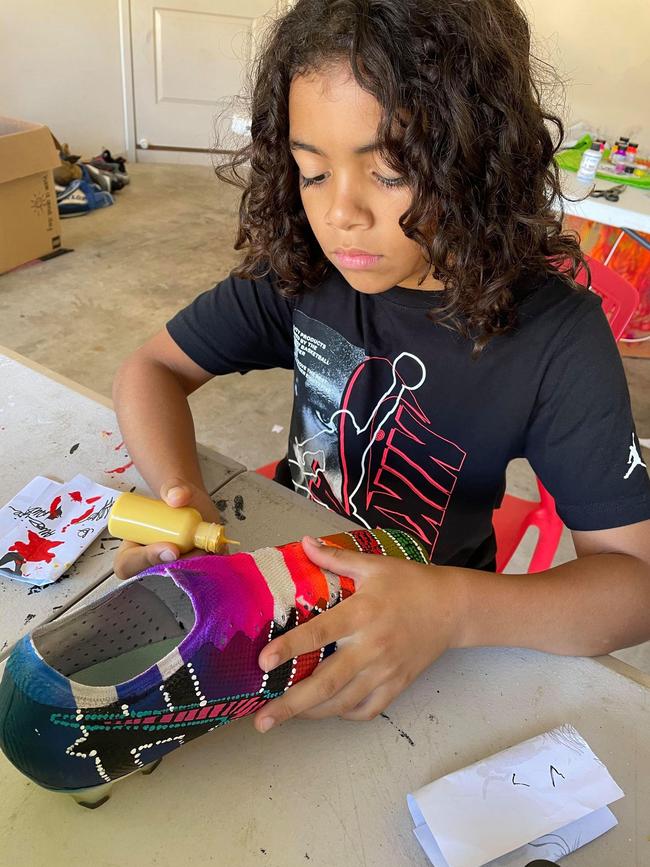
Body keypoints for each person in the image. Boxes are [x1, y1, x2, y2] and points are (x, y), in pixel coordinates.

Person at [112, 0, 650, 736]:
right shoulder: (302, 269)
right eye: (311, 171)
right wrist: (181, 494)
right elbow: (150, 370)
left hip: (437, 633)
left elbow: (634, 582)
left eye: (391, 170)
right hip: (290, 578)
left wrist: (452, 610)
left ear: (476, 157)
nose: (340, 214)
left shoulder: (556, 338)